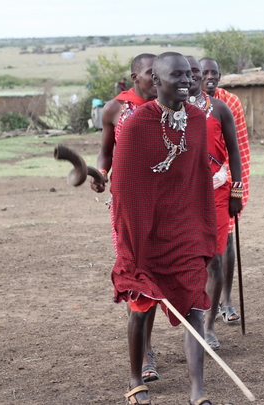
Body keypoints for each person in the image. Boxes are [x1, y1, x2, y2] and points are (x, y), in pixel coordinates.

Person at [111, 52, 217, 405]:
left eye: (190, 74)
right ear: (156, 81)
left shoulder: (199, 120)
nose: (187, 81)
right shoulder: (138, 123)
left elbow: (199, 177)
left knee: (196, 308)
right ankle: (134, 379)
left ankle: (197, 391)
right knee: (142, 308)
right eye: (178, 75)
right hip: (146, 233)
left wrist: (202, 227)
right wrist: (132, 244)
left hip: (185, 229)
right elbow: (125, 188)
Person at [90, 53, 161, 383]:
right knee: (135, 273)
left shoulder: (170, 107)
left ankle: (146, 344)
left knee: (156, 274)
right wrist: (101, 173)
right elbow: (107, 151)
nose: (156, 78)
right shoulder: (115, 108)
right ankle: (144, 354)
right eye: (150, 73)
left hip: (163, 205)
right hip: (128, 209)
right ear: (135, 76)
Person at [186, 56, 243, 351]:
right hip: (181, 197)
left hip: (218, 193)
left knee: (215, 259)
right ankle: (190, 320)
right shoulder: (168, 110)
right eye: (190, 71)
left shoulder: (220, 108)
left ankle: (207, 327)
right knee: (187, 262)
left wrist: (236, 191)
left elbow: (234, 152)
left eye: (197, 71)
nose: (194, 76)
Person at [200, 57, 250, 324]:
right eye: (202, 72)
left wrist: (237, 191)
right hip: (192, 191)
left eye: (213, 73)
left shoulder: (227, 104)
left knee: (224, 245)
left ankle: (226, 301)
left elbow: (238, 150)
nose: (209, 77)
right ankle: (202, 307)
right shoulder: (178, 106)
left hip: (223, 184)